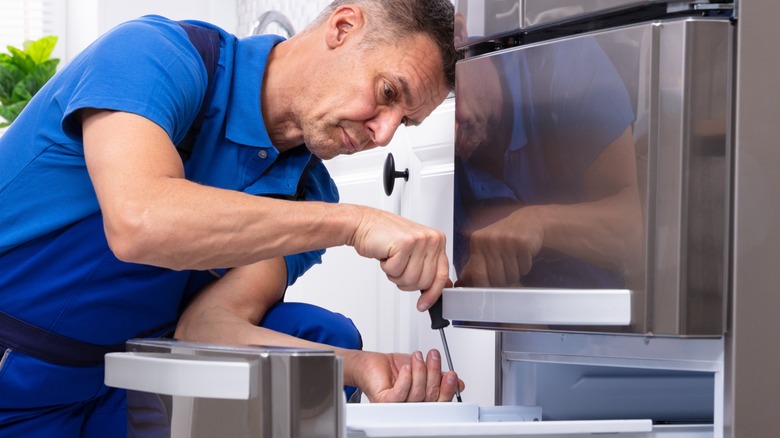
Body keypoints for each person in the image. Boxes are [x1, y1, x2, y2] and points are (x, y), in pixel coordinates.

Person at [0, 0, 463, 435]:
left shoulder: (307, 192)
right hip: (12, 381)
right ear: (342, 28)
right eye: (387, 92)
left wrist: (363, 369)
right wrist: (353, 223)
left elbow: (207, 327)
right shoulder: (154, 56)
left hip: (118, 381)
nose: (382, 134)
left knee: (322, 344)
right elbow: (140, 222)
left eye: (403, 122)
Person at [453, 27, 644, 290]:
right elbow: (492, 289)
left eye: (450, 93)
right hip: (520, 324)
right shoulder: (436, 161)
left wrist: (538, 223)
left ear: (459, 39)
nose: (451, 133)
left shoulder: (568, 65)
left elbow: (634, 235)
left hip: (612, 315)